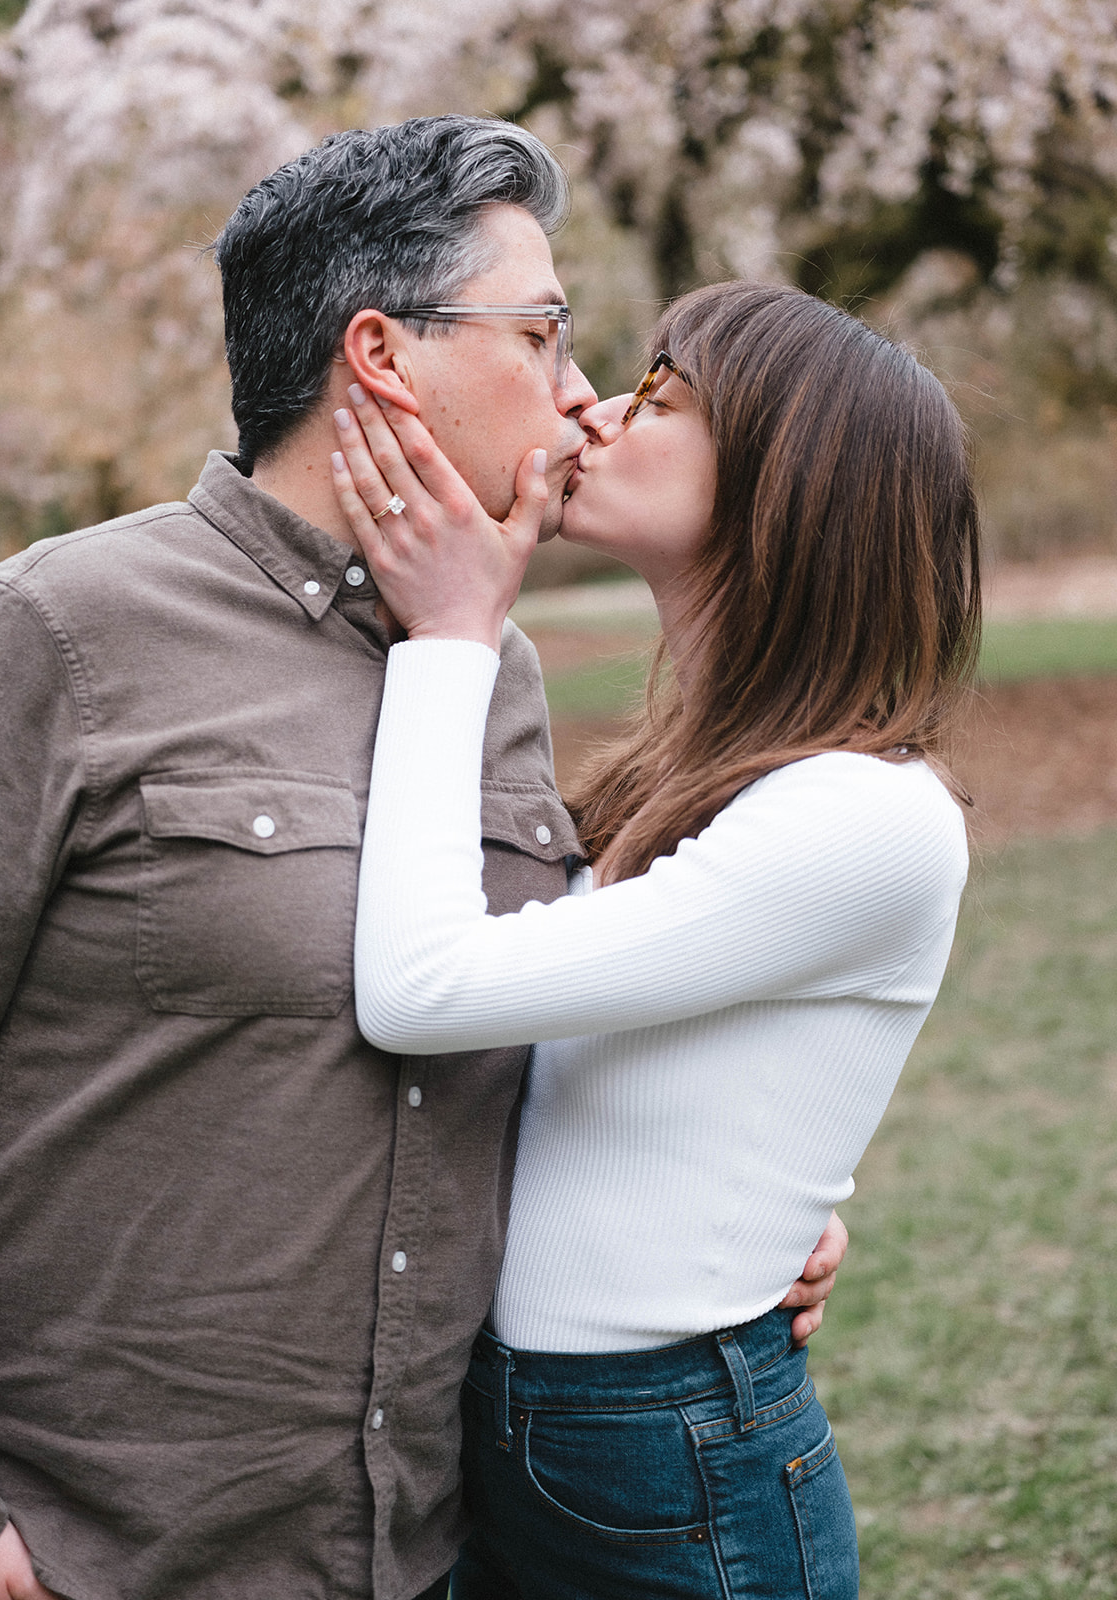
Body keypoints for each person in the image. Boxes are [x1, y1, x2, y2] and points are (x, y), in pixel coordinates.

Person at [0, 121, 841, 1600]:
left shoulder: (497, 676)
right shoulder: (58, 633)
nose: (581, 389)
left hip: (431, 1549)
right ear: (382, 355)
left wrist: (720, 1203)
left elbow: (495, 1031)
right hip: (94, 1557)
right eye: (542, 333)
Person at [331, 279, 982, 1599]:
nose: (595, 412)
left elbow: (419, 987)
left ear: (787, 484)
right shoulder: (693, 778)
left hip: (665, 1460)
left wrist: (453, 637)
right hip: (530, 1423)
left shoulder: (867, 815)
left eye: (660, 401)